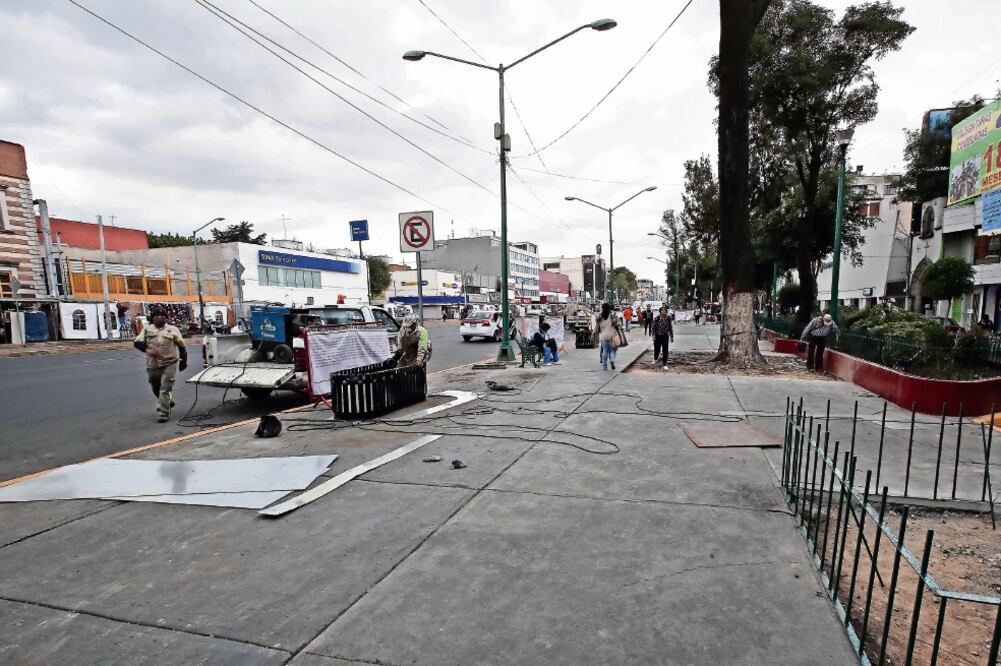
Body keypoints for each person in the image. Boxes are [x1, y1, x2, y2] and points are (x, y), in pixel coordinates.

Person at [134, 307, 187, 423]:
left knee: (165, 388)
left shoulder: (173, 329)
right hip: (153, 364)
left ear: (166, 318)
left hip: (170, 362)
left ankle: (163, 412)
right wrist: (147, 349)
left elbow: (182, 346)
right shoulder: (147, 329)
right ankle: (167, 401)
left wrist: (184, 361)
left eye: (162, 315)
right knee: (155, 386)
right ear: (153, 318)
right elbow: (137, 343)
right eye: (157, 315)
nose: (160, 317)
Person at [595, 302, 623, 370]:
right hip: (612, 336)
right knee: (613, 350)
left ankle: (604, 366)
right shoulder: (613, 316)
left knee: (605, 351)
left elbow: (596, 327)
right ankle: (612, 360)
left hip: (603, 337)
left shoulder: (600, 317)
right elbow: (619, 324)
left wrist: (593, 334)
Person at [651, 306, 675, 370]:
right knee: (657, 349)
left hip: (665, 336)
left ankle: (664, 364)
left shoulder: (668, 318)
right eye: (662, 310)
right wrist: (653, 336)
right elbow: (653, 328)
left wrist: (671, 336)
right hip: (657, 336)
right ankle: (655, 358)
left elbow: (670, 328)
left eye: (665, 310)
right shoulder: (656, 318)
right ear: (660, 311)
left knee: (665, 351)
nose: (664, 311)